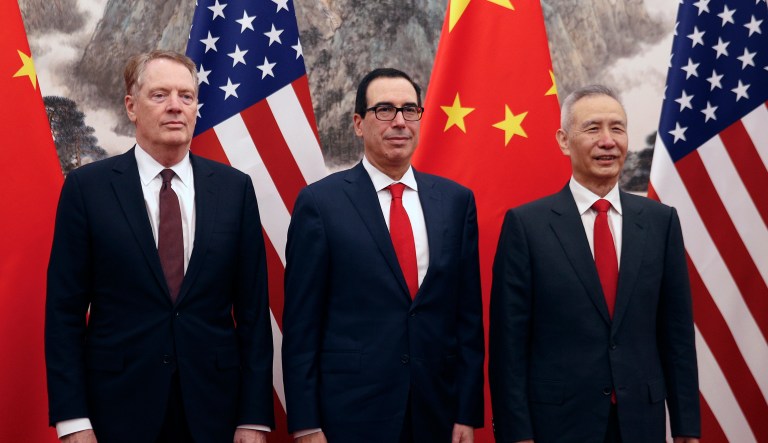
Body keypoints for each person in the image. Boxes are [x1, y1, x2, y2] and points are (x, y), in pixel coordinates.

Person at [45, 50, 274, 443]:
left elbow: (253, 313)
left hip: (213, 412)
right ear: (131, 107)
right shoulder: (87, 190)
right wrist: (73, 421)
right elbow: (63, 313)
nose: (175, 107)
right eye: (160, 95)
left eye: (186, 96)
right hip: (115, 412)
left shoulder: (235, 190)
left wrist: (253, 417)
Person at [488, 85, 700, 443]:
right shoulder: (527, 226)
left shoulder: (660, 222)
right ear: (564, 140)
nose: (608, 141)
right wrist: (516, 433)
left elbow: (676, 334)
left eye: (617, 128)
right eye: (593, 128)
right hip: (558, 425)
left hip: (641, 423)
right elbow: (509, 346)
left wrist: (686, 427)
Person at [282, 68, 484, 443]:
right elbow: (300, 327)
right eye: (385, 110)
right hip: (351, 416)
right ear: (359, 124)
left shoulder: (456, 202)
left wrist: (466, 412)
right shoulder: (320, 205)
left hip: (436, 414)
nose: (400, 122)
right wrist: (307, 425)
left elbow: (467, 319)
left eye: (410, 110)